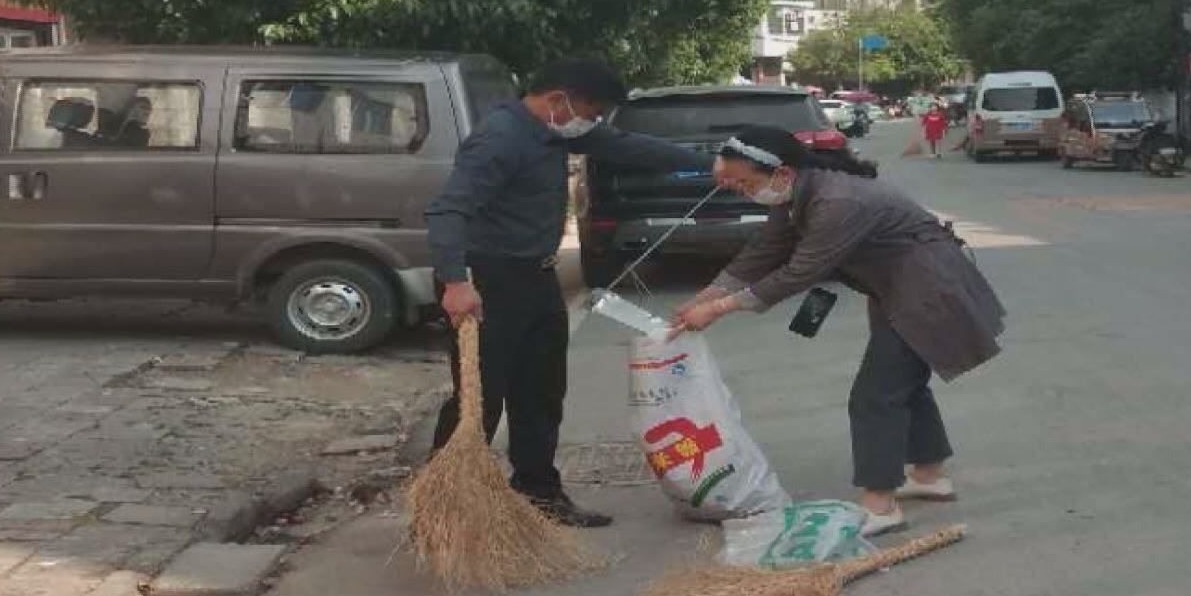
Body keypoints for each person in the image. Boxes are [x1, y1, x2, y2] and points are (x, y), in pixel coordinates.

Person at [672, 125, 1007, 537]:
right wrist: (703, 296)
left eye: (744, 182)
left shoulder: (837, 201)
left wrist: (719, 308)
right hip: (899, 288)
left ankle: (880, 504)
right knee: (904, 385)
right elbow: (763, 252)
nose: (740, 190)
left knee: (876, 395)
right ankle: (929, 473)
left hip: (926, 289)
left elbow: (800, 271)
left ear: (781, 172)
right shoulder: (796, 194)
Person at [425, 59, 708, 528]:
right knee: (480, 397)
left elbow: (629, 147)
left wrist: (710, 166)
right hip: (487, 280)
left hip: (536, 277)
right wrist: (456, 281)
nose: (592, 124)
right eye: (591, 112)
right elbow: (448, 210)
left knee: (541, 390)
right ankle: (444, 508)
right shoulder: (500, 138)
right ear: (560, 99)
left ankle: (538, 492)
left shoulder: (558, 130)